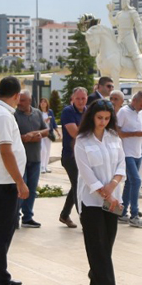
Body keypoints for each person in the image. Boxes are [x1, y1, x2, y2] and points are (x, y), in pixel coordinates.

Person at [73, 99, 126, 285]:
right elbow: (86, 173)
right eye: (99, 118)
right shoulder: (82, 141)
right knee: (97, 245)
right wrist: (105, 193)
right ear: (92, 117)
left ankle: (96, 274)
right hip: (91, 200)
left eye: (107, 118)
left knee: (108, 242)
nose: (103, 122)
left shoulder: (114, 137)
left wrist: (113, 186)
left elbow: (122, 163)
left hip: (113, 197)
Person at [0, 76, 30, 285]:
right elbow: (5, 151)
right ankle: (2, 283)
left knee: (6, 229)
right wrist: (19, 181)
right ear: (16, 95)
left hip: (2, 181)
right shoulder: (2, 115)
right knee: (2, 233)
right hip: (4, 183)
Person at [117, 91, 142, 228]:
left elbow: (138, 128)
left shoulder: (141, 112)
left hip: (137, 152)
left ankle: (122, 212)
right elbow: (118, 132)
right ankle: (134, 214)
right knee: (137, 181)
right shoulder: (123, 112)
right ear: (135, 101)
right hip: (126, 153)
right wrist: (136, 133)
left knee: (130, 183)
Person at [14, 92, 48, 229]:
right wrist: (25, 137)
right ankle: (15, 217)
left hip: (35, 158)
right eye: (18, 100)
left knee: (32, 189)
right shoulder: (14, 115)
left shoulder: (37, 113)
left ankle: (28, 217)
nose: (19, 103)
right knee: (21, 188)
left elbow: (46, 130)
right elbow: (13, 136)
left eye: (22, 100)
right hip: (20, 160)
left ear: (30, 100)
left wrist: (35, 134)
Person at [58, 88, 89, 228]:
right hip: (70, 156)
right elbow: (75, 133)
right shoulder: (68, 112)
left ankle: (64, 215)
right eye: (78, 98)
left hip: (85, 155)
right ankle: (84, 220)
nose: (81, 101)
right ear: (72, 98)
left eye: (83, 98)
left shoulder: (88, 111)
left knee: (76, 185)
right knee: (78, 186)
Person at [37, 96, 55, 173]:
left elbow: (53, 122)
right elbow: (37, 122)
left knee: (48, 150)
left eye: (44, 102)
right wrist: (45, 121)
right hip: (41, 133)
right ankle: (41, 166)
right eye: (42, 102)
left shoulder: (50, 112)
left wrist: (57, 131)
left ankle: (46, 166)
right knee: (43, 150)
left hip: (48, 133)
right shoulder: (38, 112)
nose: (43, 103)